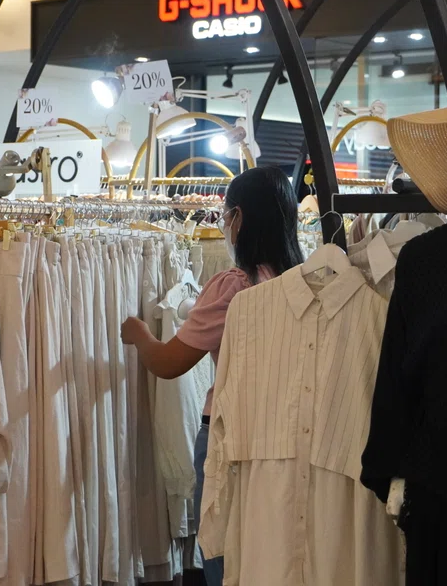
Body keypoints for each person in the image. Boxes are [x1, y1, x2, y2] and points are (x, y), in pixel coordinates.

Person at [121, 165, 304, 585]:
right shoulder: (300, 280)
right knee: (267, 547)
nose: (223, 224)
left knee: (221, 545)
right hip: (282, 433)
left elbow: (169, 364)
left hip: (228, 430)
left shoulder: (233, 288)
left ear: (239, 218)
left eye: (225, 215)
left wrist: (141, 335)